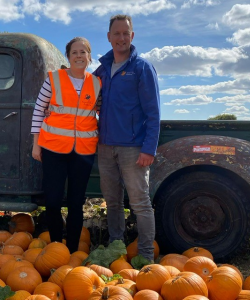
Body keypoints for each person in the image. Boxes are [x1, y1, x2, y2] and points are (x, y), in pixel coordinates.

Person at [93, 14, 161, 262]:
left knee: (140, 202)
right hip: (105, 146)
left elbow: (153, 113)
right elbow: (83, 98)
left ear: (132, 36)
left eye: (126, 33)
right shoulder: (101, 70)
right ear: (109, 37)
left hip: (134, 148)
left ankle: (146, 256)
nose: (121, 38)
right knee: (112, 201)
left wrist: (148, 149)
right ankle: (116, 248)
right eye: (117, 33)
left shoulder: (142, 68)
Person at [31, 37, 102, 253]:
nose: (79, 56)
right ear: (68, 57)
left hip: (83, 151)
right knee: (52, 201)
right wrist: (36, 145)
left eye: (83, 52)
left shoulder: (97, 83)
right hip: (53, 148)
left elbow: (100, 112)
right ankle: (55, 248)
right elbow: (38, 110)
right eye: (74, 52)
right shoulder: (53, 80)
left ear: (89, 57)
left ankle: (71, 252)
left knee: (76, 203)